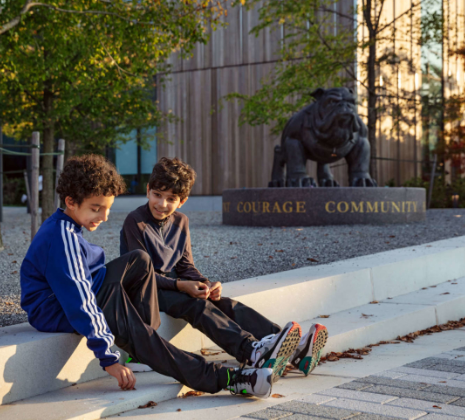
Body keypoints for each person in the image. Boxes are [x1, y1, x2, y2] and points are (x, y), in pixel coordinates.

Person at [20, 154, 275, 398]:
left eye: (107, 208)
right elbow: (79, 303)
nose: (105, 217)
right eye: (96, 208)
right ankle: (229, 379)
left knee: (140, 260)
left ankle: (143, 340)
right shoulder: (62, 239)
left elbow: (89, 281)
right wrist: (108, 359)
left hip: (95, 290)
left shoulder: (67, 226)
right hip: (56, 309)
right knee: (148, 340)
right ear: (71, 202)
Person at [119, 157, 328, 380]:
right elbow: (143, 274)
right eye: (157, 195)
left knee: (224, 303)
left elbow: (185, 265)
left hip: (173, 285)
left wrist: (206, 283)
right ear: (148, 190)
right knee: (196, 305)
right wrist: (182, 285)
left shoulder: (181, 221)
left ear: (182, 201)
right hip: (146, 291)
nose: (162, 204)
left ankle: (289, 347)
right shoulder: (135, 221)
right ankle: (252, 352)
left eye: (171, 199)